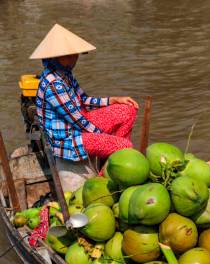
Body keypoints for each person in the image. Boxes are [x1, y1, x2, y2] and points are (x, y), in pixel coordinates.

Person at [31, 24, 139, 162]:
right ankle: (107, 174)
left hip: (78, 126)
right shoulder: (53, 84)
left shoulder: (65, 74)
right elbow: (77, 120)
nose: (74, 58)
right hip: (67, 139)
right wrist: (105, 137)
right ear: (54, 58)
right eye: (67, 55)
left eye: (74, 54)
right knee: (124, 146)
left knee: (128, 110)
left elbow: (83, 100)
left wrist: (112, 100)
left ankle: (116, 160)